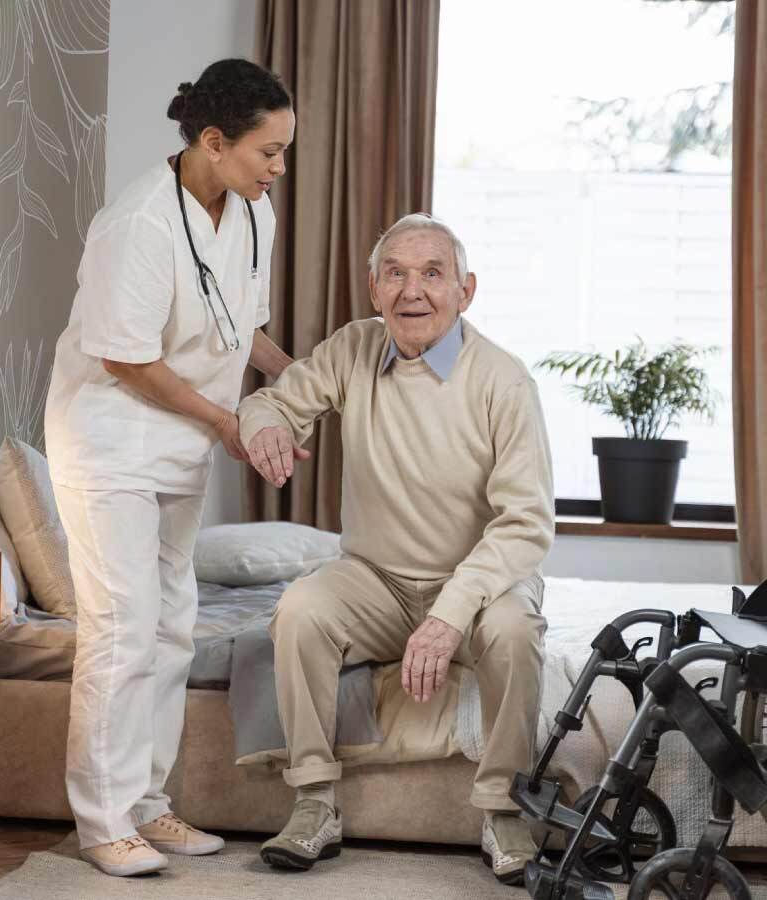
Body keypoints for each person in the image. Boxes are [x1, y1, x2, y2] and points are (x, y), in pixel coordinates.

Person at [237, 213, 554, 885]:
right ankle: (315, 801)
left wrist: (448, 615)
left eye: (433, 274)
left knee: (516, 631)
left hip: (477, 584)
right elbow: (278, 402)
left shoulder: (503, 380)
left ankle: (502, 808)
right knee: (300, 610)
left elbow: (526, 523)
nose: (414, 291)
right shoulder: (352, 349)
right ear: (374, 288)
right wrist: (263, 424)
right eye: (396, 274)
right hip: (375, 579)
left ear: (466, 290)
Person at [43, 58, 299, 877]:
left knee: (172, 627)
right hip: (112, 442)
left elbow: (241, 327)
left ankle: (148, 805)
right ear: (215, 143)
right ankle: (102, 819)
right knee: (120, 629)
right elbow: (128, 362)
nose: (280, 169)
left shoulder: (252, 211)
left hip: (182, 446)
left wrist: (299, 383)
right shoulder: (139, 224)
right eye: (269, 152)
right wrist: (230, 422)